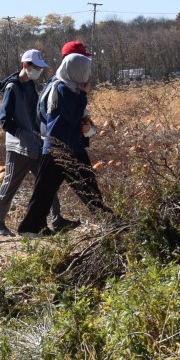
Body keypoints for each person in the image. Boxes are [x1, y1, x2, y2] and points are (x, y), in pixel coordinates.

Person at [17, 50, 112, 236]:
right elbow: (66, 117)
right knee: (57, 189)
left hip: (65, 147)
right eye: (84, 70)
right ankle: (30, 227)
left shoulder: (67, 87)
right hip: (60, 149)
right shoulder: (62, 89)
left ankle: (32, 227)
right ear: (77, 71)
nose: (87, 74)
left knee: (81, 185)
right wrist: (83, 96)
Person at [0, 49, 62, 237]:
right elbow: (4, 120)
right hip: (18, 147)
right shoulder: (12, 88)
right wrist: (22, 133)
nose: (38, 70)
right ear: (25, 65)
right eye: (35, 67)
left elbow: (35, 113)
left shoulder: (31, 86)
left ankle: (54, 220)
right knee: (10, 185)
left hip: (35, 144)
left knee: (47, 183)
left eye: (40, 68)